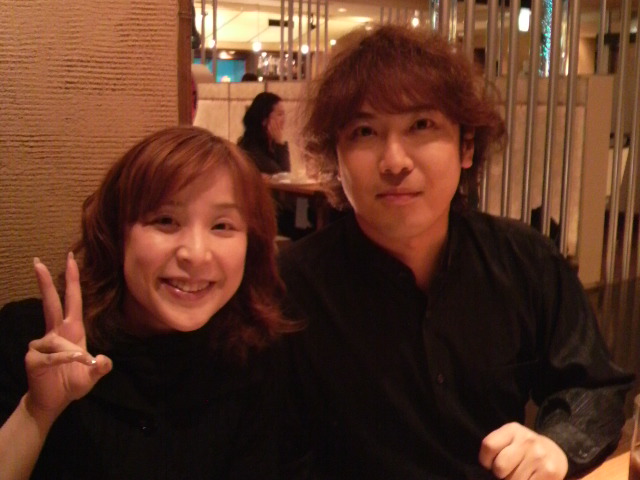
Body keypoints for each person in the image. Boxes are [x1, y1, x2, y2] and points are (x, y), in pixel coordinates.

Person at [277, 25, 634, 479]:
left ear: (466, 146)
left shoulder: (523, 260)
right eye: (364, 131)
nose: (394, 161)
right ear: (336, 158)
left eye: (421, 126)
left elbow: (594, 385)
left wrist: (557, 445)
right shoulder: (290, 287)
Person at [0, 126, 294, 479]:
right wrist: (35, 412)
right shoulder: (37, 344)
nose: (196, 254)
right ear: (116, 234)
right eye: (165, 221)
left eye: (222, 226)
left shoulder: (256, 356)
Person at [238, 92, 290, 175]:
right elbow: (282, 177)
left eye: (284, 114)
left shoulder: (271, 146)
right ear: (264, 120)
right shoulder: (251, 150)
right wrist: (280, 144)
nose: (284, 120)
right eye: (280, 114)